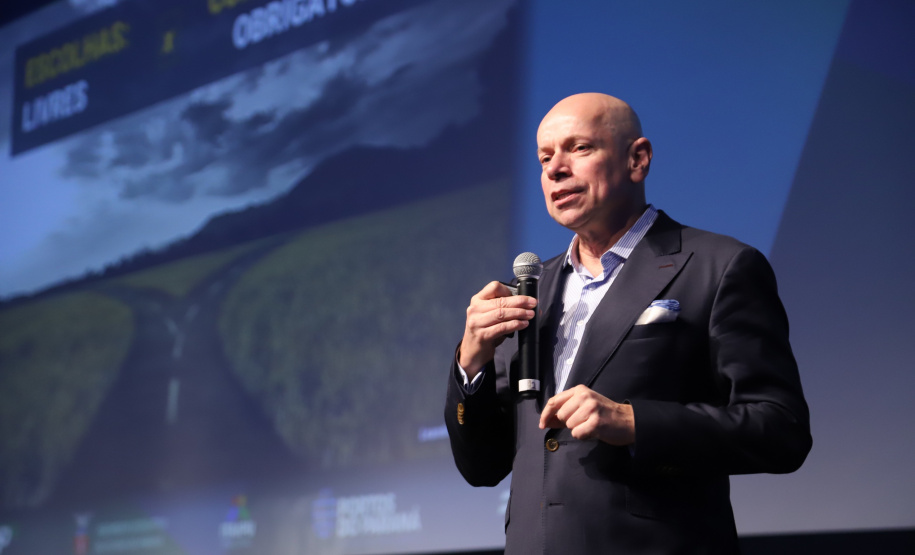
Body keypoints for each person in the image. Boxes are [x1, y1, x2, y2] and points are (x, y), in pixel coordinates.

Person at [444, 93, 811, 554]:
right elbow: (482, 466)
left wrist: (634, 421)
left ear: (637, 159)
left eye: (579, 149)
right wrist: (471, 363)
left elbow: (782, 430)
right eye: (544, 157)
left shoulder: (719, 267)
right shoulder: (530, 291)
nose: (555, 169)